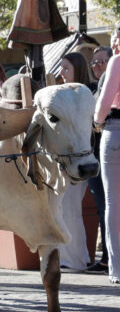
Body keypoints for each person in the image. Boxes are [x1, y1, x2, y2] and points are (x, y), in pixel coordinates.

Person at [56, 52, 93, 270]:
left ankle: (76, 259)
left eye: (66, 68)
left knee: (70, 209)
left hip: (81, 159)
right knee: (64, 208)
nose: (61, 72)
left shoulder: (83, 94)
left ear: (77, 70)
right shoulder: (62, 93)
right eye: (61, 67)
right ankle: (70, 258)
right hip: (66, 159)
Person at [94, 23, 120, 284]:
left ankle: (117, 267)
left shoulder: (118, 62)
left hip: (116, 129)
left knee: (114, 202)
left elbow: (103, 103)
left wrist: (97, 121)